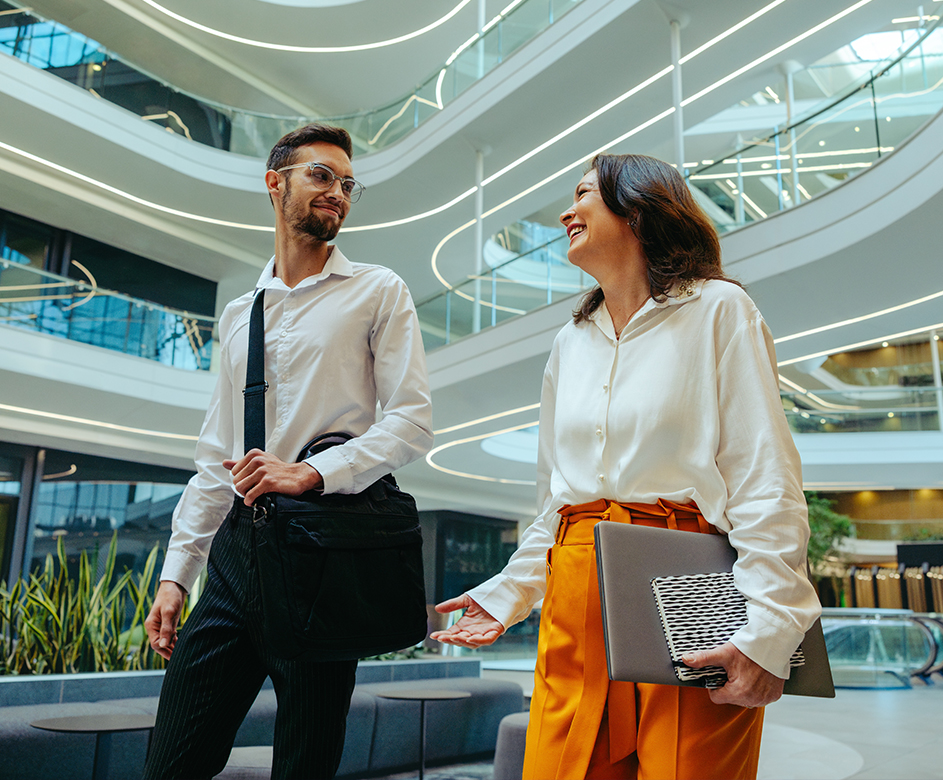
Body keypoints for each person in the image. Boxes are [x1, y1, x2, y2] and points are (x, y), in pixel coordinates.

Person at [432, 154, 821, 780]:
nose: (566, 211)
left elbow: (764, 476)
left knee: (688, 766)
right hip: (575, 584)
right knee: (563, 768)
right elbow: (558, 502)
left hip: (690, 578)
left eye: (584, 193)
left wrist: (772, 628)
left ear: (638, 210)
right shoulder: (570, 340)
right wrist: (509, 593)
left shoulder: (719, 309)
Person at [142, 123, 433, 780]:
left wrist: (312, 471)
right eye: (321, 176)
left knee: (305, 764)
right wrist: (175, 575)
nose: (338, 193)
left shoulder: (377, 290)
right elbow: (216, 456)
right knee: (170, 763)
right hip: (236, 557)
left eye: (348, 184)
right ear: (275, 183)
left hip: (322, 553)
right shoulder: (241, 313)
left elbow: (412, 422)